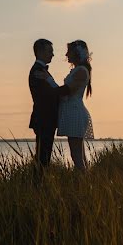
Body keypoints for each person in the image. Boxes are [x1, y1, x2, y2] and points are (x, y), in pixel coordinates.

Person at [35, 40, 94, 172]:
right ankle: (85, 182)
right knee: (79, 154)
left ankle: (84, 182)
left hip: (74, 113)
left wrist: (48, 80)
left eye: (69, 51)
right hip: (71, 112)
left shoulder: (81, 71)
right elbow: (64, 92)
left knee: (76, 155)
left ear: (76, 53)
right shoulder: (79, 70)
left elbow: (66, 92)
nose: (66, 54)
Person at [28, 38, 65, 167]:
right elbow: (50, 94)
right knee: (43, 157)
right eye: (50, 51)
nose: (52, 54)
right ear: (40, 52)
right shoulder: (38, 71)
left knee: (44, 156)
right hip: (44, 118)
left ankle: (40, 183)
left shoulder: (42, 70)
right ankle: (38, 184)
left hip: (45, 119)